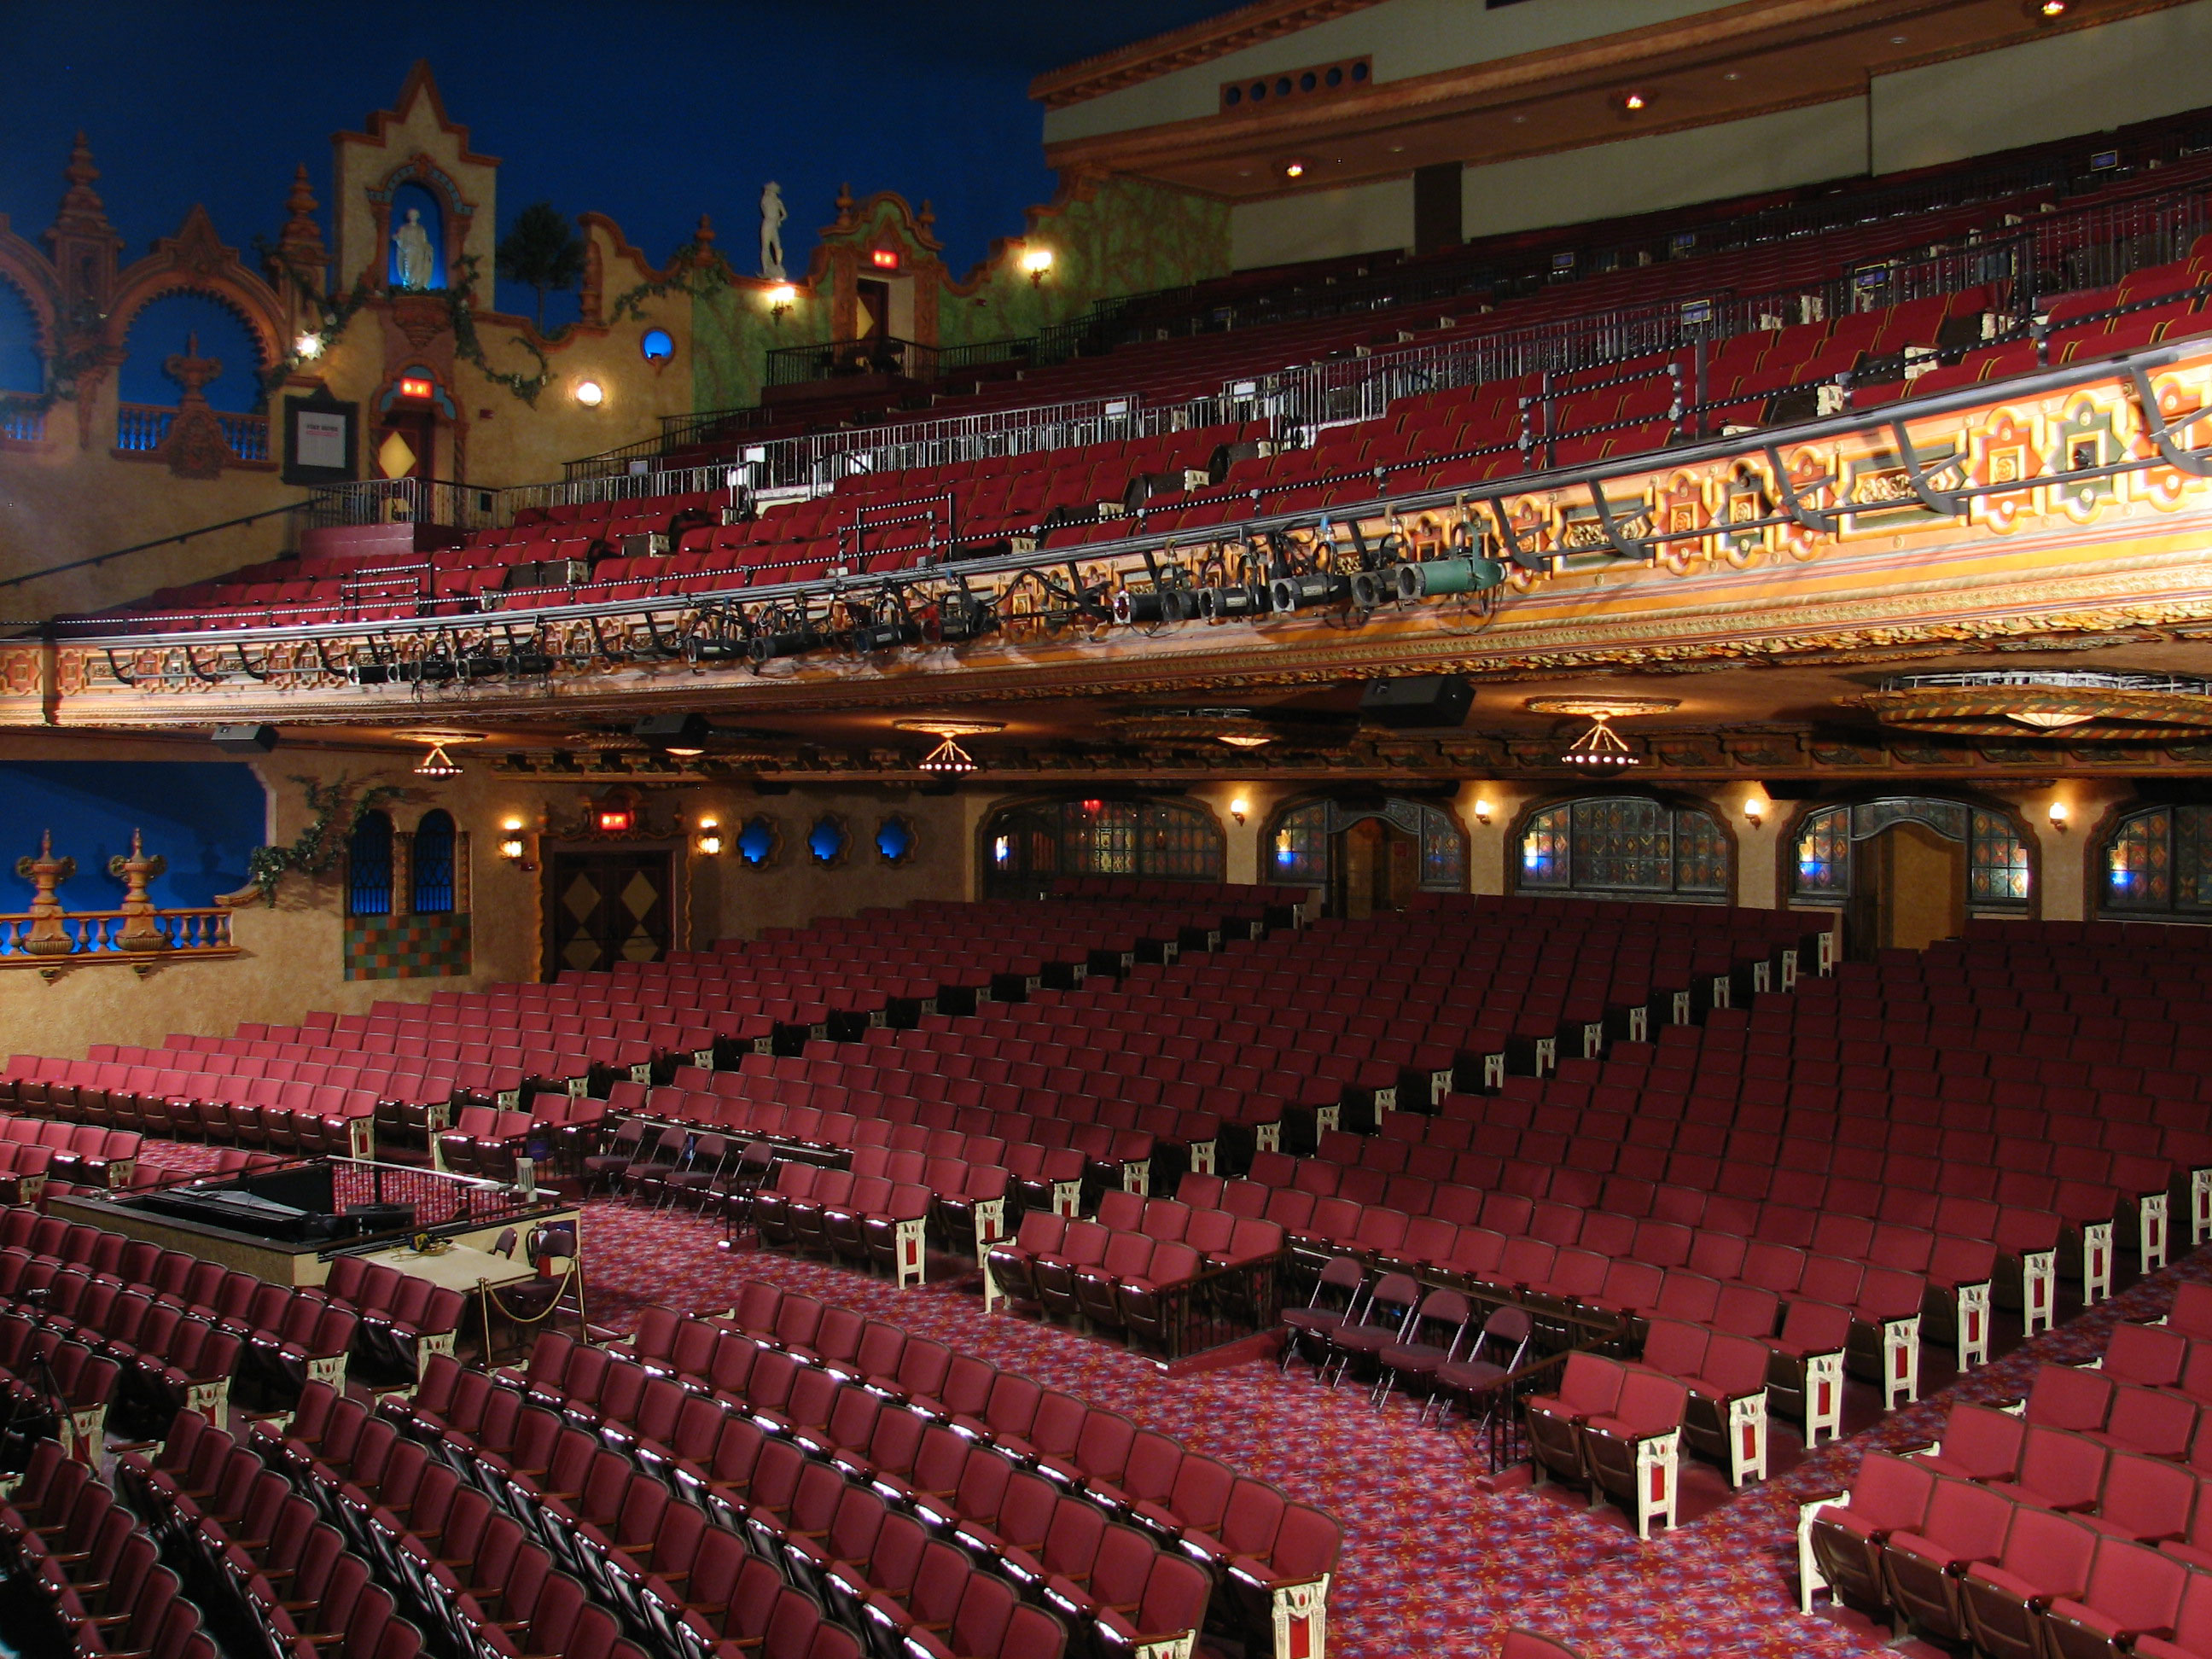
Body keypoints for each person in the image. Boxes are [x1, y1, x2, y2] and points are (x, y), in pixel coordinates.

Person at [392, 207, 434, 289]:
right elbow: (400, 239)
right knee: (409, 267)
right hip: (409, 250)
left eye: (415, 215)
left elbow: (424, 241)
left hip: (420, 251)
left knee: (419, 267)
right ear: (409, 216)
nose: (413, 216)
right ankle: (409, 285)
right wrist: (397, 238)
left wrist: (428, 248)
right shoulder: (404, 228)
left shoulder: (421, 229)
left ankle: (418, 285)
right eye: (411, 215)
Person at [760, 182, 787, 280]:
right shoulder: (765, 199)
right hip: (768, 224)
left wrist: (779, 220)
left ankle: (778, 264)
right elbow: (764, 209)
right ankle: (766, 268)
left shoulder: (778, 202)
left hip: (773, 225)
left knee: (777, 247)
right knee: (766, 247)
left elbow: (784, 214)